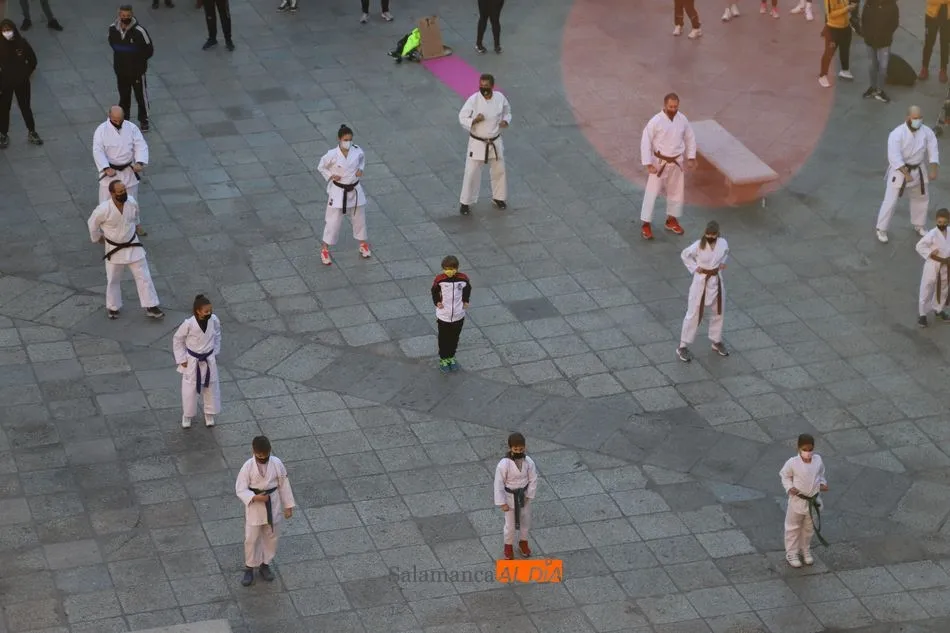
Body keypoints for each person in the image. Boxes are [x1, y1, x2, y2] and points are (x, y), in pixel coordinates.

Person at [87, 180, 165, 320]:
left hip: (133, 244)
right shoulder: (103, 209)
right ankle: (113, 307)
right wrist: (97, 238)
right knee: (113, 278)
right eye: (120, 191)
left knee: (144, 276)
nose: (123, 193)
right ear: (112, 193)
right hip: (114, 248)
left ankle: (151, 306)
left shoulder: (131, 202)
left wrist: (137, 225)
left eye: (124, 190)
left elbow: (136, 216)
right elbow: (92, 224)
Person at [235, 436, 295, 587]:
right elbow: (240, 489)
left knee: (271, 536)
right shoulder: (248, 466)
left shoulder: (277, 463)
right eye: (259, 455)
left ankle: (265, 564)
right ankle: (249, 567)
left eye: (265, 454)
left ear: (269, 450)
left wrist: (288, 506)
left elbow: (284, 484)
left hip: (272, 503)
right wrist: (255, 497)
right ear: (253, 451)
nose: (262, 457)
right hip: (255, 506)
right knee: (251, 538)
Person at [875, 106, 940, 244]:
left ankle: (919, 225)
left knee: (921, 198)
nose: (918, 121)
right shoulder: (897, 134)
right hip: (899, 171)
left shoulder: (926, 132)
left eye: (920, 118)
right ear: (907, 118)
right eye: (915, 118)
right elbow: (894, 156)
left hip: (918, 169)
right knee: (891, 201)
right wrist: (905, 173)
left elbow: (933, 149)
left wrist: (933, 168)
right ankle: (881, 228)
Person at [639, 93, 696, 241]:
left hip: (676, 161)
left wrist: (691, 157)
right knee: (652, 193)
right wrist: (648, 163)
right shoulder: (655, 121)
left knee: (676, 192)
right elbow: (646, 141)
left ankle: (671, 220)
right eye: (670, 107)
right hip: (659, 163)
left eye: (676, 107)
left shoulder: (682, 119)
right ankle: (646, 223)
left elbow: (690, 137)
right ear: (664, 105)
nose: (673, 109)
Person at [316, 124, 371, 266]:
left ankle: (363, 244)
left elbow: (362, 160)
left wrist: (360, 169)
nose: (348, 142)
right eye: (346, 140)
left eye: (350, 139)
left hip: (355, 189)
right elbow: (321, 166)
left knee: (359, 219)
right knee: (333, 222)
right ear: (339, 139)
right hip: (339, 191)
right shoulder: (332, 154)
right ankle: (324, 249)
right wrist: (331, 175)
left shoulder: (357, 151)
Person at [676, 221, 730, 363]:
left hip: (716, 280)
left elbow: (726, 252)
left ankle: (716, 340)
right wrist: (694, 267)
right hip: (701, 282)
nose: (710, 237)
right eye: (708, 234)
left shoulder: (722, 243)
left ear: (717, 234)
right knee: (693, 313)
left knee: (719, 311)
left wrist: (723, 263)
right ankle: (682, 345)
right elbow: (685, 254)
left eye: (713, 235)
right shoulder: (698, 245)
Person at [458, 73, 511, 216]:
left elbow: (507, 112)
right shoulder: (473, 100)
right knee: (471, 172)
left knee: (499, 170)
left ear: (492, 86)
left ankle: (499, 197)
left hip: (495, 140)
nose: (483, 89)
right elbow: (462, 117)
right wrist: (474, 120)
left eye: (486, 86)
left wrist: (505, 121)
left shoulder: (500, 98)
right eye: (481, 86)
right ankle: (465, 202)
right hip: (478, 142)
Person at [780, 434, 828, 568]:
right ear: (799, 448)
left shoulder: (818, 460)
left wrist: (823, 484)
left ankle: (805, 549)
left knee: (809, 528)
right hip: (798, 500)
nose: (808, 452)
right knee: (792, 528)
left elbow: (821, 475)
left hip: (813, 501)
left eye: (810, 449)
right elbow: (784, 476)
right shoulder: (792, 463)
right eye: (805, 449)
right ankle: (791, 553)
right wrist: (789, 487)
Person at [173, 294, 222, 428]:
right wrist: (181, 358)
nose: (209, 313)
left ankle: (209, 413)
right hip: (193, 360)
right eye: (206, 311)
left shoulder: (214, 320)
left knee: (211, 386)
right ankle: (187, 415)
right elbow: (178, 339)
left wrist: (215, 351)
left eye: (210, 310)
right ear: (198, 311)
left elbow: (217, 334)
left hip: (208, 359)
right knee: (189, 389)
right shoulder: (188, 324)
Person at [93, 106, 149, 208]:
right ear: (109, 116)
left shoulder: (131, 127)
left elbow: (140, 145)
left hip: (128, 171)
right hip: (110, 172)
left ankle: (131, 218)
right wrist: (106, 168)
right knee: (105, 204)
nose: (118, 123)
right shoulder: (101, 130)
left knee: (131, 203)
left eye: (120, 120)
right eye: (115, 120)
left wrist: (139, 162)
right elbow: (98, 151)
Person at [493, 432, 538, 561]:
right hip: (510, 497)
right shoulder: (504, 464)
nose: (519, 451)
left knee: (525, 520)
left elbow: (533, 479)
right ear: (510, 448)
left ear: (524, 447)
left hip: (523, 496)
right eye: (516, 449)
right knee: (510, 525)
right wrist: (502, 502)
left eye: (521, 449)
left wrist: (529, 495)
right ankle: (508, 546)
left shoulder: (528, 461)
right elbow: (498, 483)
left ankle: (523, 542)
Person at [109, 5, 153, 132]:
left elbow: (149, 49)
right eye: (123, 16)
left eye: (128, 16)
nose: (125, 18)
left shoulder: (139, 31)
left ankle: (144, 119)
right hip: (121, 71)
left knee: (141, 97)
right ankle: (124, 120)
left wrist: (138, 62)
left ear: (132, 15)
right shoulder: (113, 29)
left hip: (137, 72)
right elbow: (111, 43)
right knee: (124, 97)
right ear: (119, 15)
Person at [0, 19, 42, 149]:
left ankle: (32, 132)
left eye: (9, 29)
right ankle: (3, 134)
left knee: (25, 107)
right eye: (4, 30)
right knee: (4, 109)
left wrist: (25, 74)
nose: (7, 32)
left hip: (21, 82)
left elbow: (33, 61)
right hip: (4, 83)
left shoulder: (22, 43)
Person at [431, 255, 472, 372]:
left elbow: (468, 289)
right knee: (444, 338)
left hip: (458, 315)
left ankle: (451, 357)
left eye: (451, 269)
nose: (449, 271)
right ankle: (443, 358)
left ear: (456, 268)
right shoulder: (440, 280)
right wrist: (437, 302)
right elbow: (434, 291)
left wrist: (466, 300)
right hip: (444, 315)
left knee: (454, 337)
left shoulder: (463, 279)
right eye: (446, 269)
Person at [915, 209, 950, 327]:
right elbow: (919, 246)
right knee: (926, 287)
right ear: (936, 221)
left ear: (948, 221)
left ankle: (938, 309)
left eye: (944, 222)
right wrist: (930, 252)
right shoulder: (932, 234)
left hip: (945, 265)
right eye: (939, 222)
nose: (942, 225)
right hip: (932, 264)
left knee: (943, 288)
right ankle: (922, 314)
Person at [861, 0, 899, 102]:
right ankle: (872, 87)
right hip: (870, 40)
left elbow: (895, 23)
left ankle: (880, 90)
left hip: (884, 41)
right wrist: (866, 33)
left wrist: (886, 34)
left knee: (883, 66)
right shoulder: (868, 4)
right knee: (872, 65)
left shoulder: (892, 5)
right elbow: (864, 19)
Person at [818, 0, 856, 88]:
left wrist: (851, 7)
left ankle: (845, 70)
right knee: (829, 53)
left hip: (845, 27)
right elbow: (831, 14)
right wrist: (846, 9)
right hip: (833, 29)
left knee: (845, 49)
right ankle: (823, 75)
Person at [920, 0, 950, 82]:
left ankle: (943, 70)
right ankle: (924, 67)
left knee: (945, 43)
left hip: (947, 16)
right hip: (931, 15)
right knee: (928, 42)